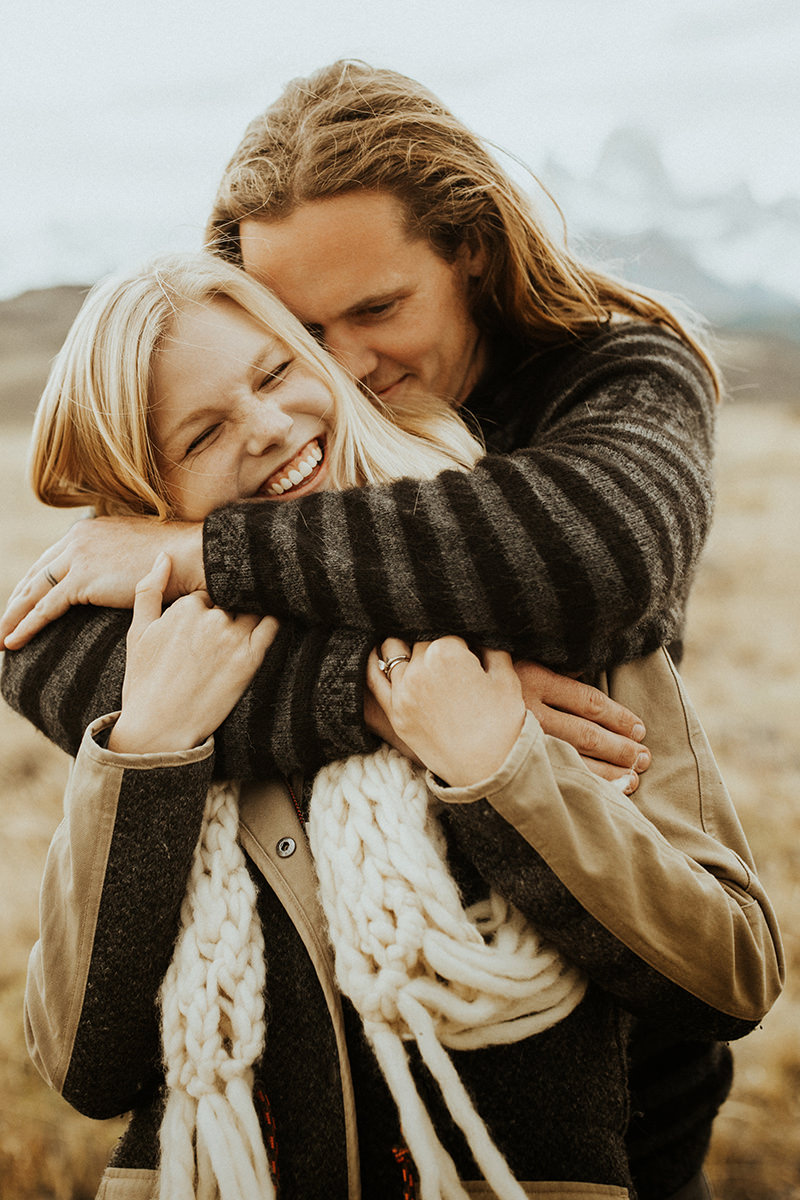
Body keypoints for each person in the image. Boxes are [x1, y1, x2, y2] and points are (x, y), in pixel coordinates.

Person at [2, 60, 722, 1198]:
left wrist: (199, 557)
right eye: (300, 327)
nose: (340, 371)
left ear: (469, 249)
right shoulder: (277, 435)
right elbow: (52, 655)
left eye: (377, 310)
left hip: (607, 1085)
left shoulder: (611, 375)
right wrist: (383, 691)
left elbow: (589, 557)